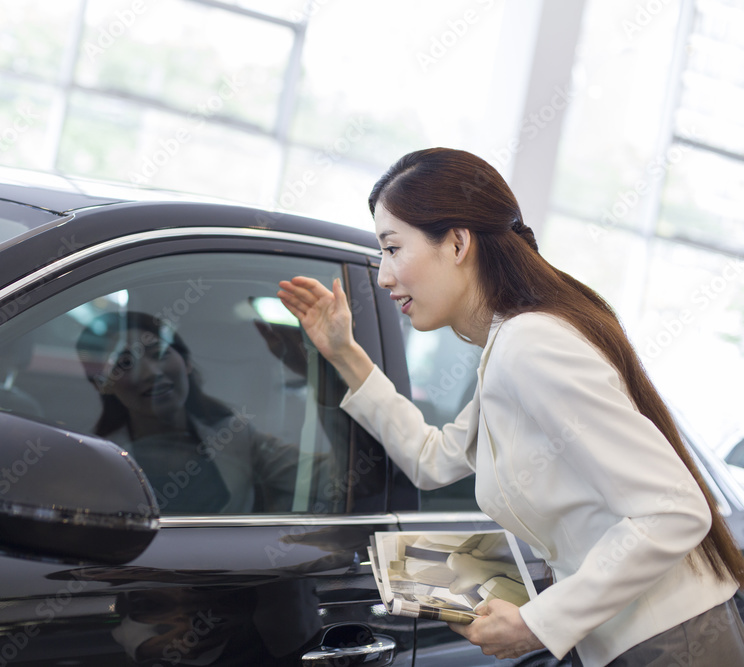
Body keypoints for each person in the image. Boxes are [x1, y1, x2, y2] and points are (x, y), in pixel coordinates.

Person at [277, 147, 744, 667]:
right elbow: (432, 458)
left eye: (392, 248)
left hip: (670, 643)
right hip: (633, 640)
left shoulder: (531, 345)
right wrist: (345, 354)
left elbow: (673, 510)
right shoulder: (508, 346)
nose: (384, 276)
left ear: (456, 243)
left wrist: (536, 624)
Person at [75, 311, 307, 514]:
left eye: (159, 353)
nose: (151, 373)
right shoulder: (95, 462)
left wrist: (316, 372)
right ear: (102, 384)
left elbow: (334, 481)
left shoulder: (236, 437)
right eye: (125, 363)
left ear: (186, 362)